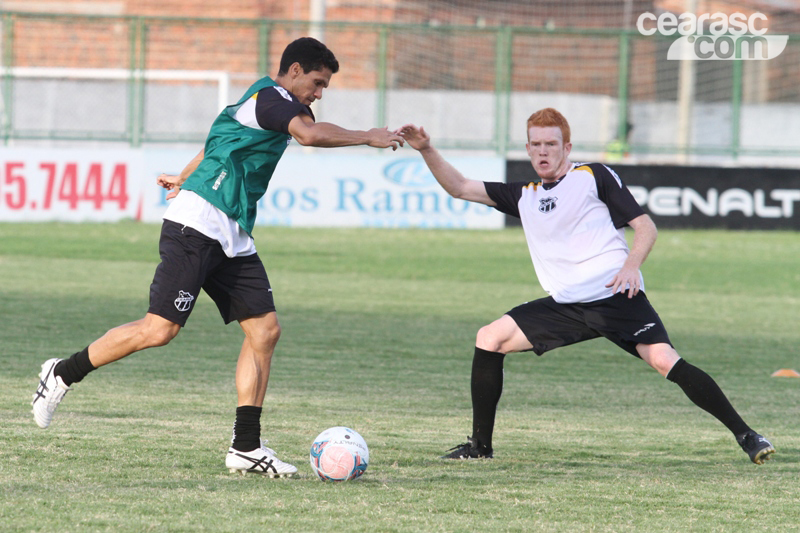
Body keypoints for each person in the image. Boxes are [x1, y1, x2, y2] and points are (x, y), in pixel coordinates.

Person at [31, 37, 404, 477]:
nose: (320, 93)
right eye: (318, 83)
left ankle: (245, 447)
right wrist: (368, 136)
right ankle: (62, 372)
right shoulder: (272, 99)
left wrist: (183, 175)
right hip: (196, 226)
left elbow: (217, 142)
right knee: (159, 330)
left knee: (265, 331)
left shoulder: (268, 104)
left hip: (232, 233)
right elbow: (308, 136)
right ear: (295, 70)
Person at [398, 108, 775, 465]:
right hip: (566, 305)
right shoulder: (525, 195)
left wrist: (631, 266)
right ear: (527, 148)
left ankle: (748, 436)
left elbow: (645, 226)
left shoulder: (593, 176)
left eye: (551, 144)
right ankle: (480, 448)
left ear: (567, 148)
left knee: (665, 361)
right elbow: (460, 187)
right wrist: (426, 149)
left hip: (616, 297)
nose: (543, 151)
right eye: (536, 144)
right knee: (489, 337)